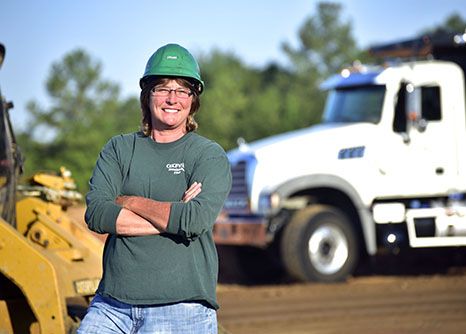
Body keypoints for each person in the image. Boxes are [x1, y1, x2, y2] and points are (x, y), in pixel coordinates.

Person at [77, 43, 232, 334]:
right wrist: (173, 215)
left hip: (181, 309)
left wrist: (127, 200)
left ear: (193, 100)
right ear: (147, 95)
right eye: (162, 88)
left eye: (182, 90)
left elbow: (194, 220)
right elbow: (97, 214)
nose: (172, 98)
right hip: (111, 305)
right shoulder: (119, 149)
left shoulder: (208, 155)